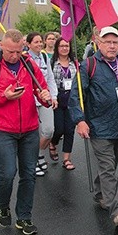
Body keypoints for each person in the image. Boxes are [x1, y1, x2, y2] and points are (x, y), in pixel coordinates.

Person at [70, 26, 118, 228]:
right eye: (108, 42)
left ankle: (99, 193)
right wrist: (80, 120)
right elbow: (76, 95)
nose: (112, 46)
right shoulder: (88, 65)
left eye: (115, 42)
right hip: (97, 125)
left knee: (110, 165)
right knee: (107, 167)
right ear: (99, 42)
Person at [0, 29, 51, 235]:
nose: (15, 56)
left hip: (30, 128)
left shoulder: (29, 64)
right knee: (7, 173)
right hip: (3, 129)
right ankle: (3, 204)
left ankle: (24, 217)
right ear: (1, 46)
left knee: (29, 175)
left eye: (18, 51)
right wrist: (3, 96)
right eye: (10, 52)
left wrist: (46, 97)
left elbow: (42, 92)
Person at [24, 32, 58, 176]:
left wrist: (53, 96)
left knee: (49, 130)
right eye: (35, 42)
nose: (39, 44)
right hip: (30, 100)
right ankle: (32, 161)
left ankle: (38, 154)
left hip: (44, 99)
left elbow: (50, 78)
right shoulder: (24, 59)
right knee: (32, 133)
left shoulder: (44, 57)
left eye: (40, 42)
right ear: (29, 44)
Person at [50, 37, 77, 170]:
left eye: (67, 46)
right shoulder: (52, 63)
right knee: (59, 128)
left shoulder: (75, 63)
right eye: (62, 46)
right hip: (57, 98)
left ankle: (67, 158)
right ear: (57, 48)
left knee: (70, 130)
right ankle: (52, 143)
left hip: (71, 99)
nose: (65, 48)